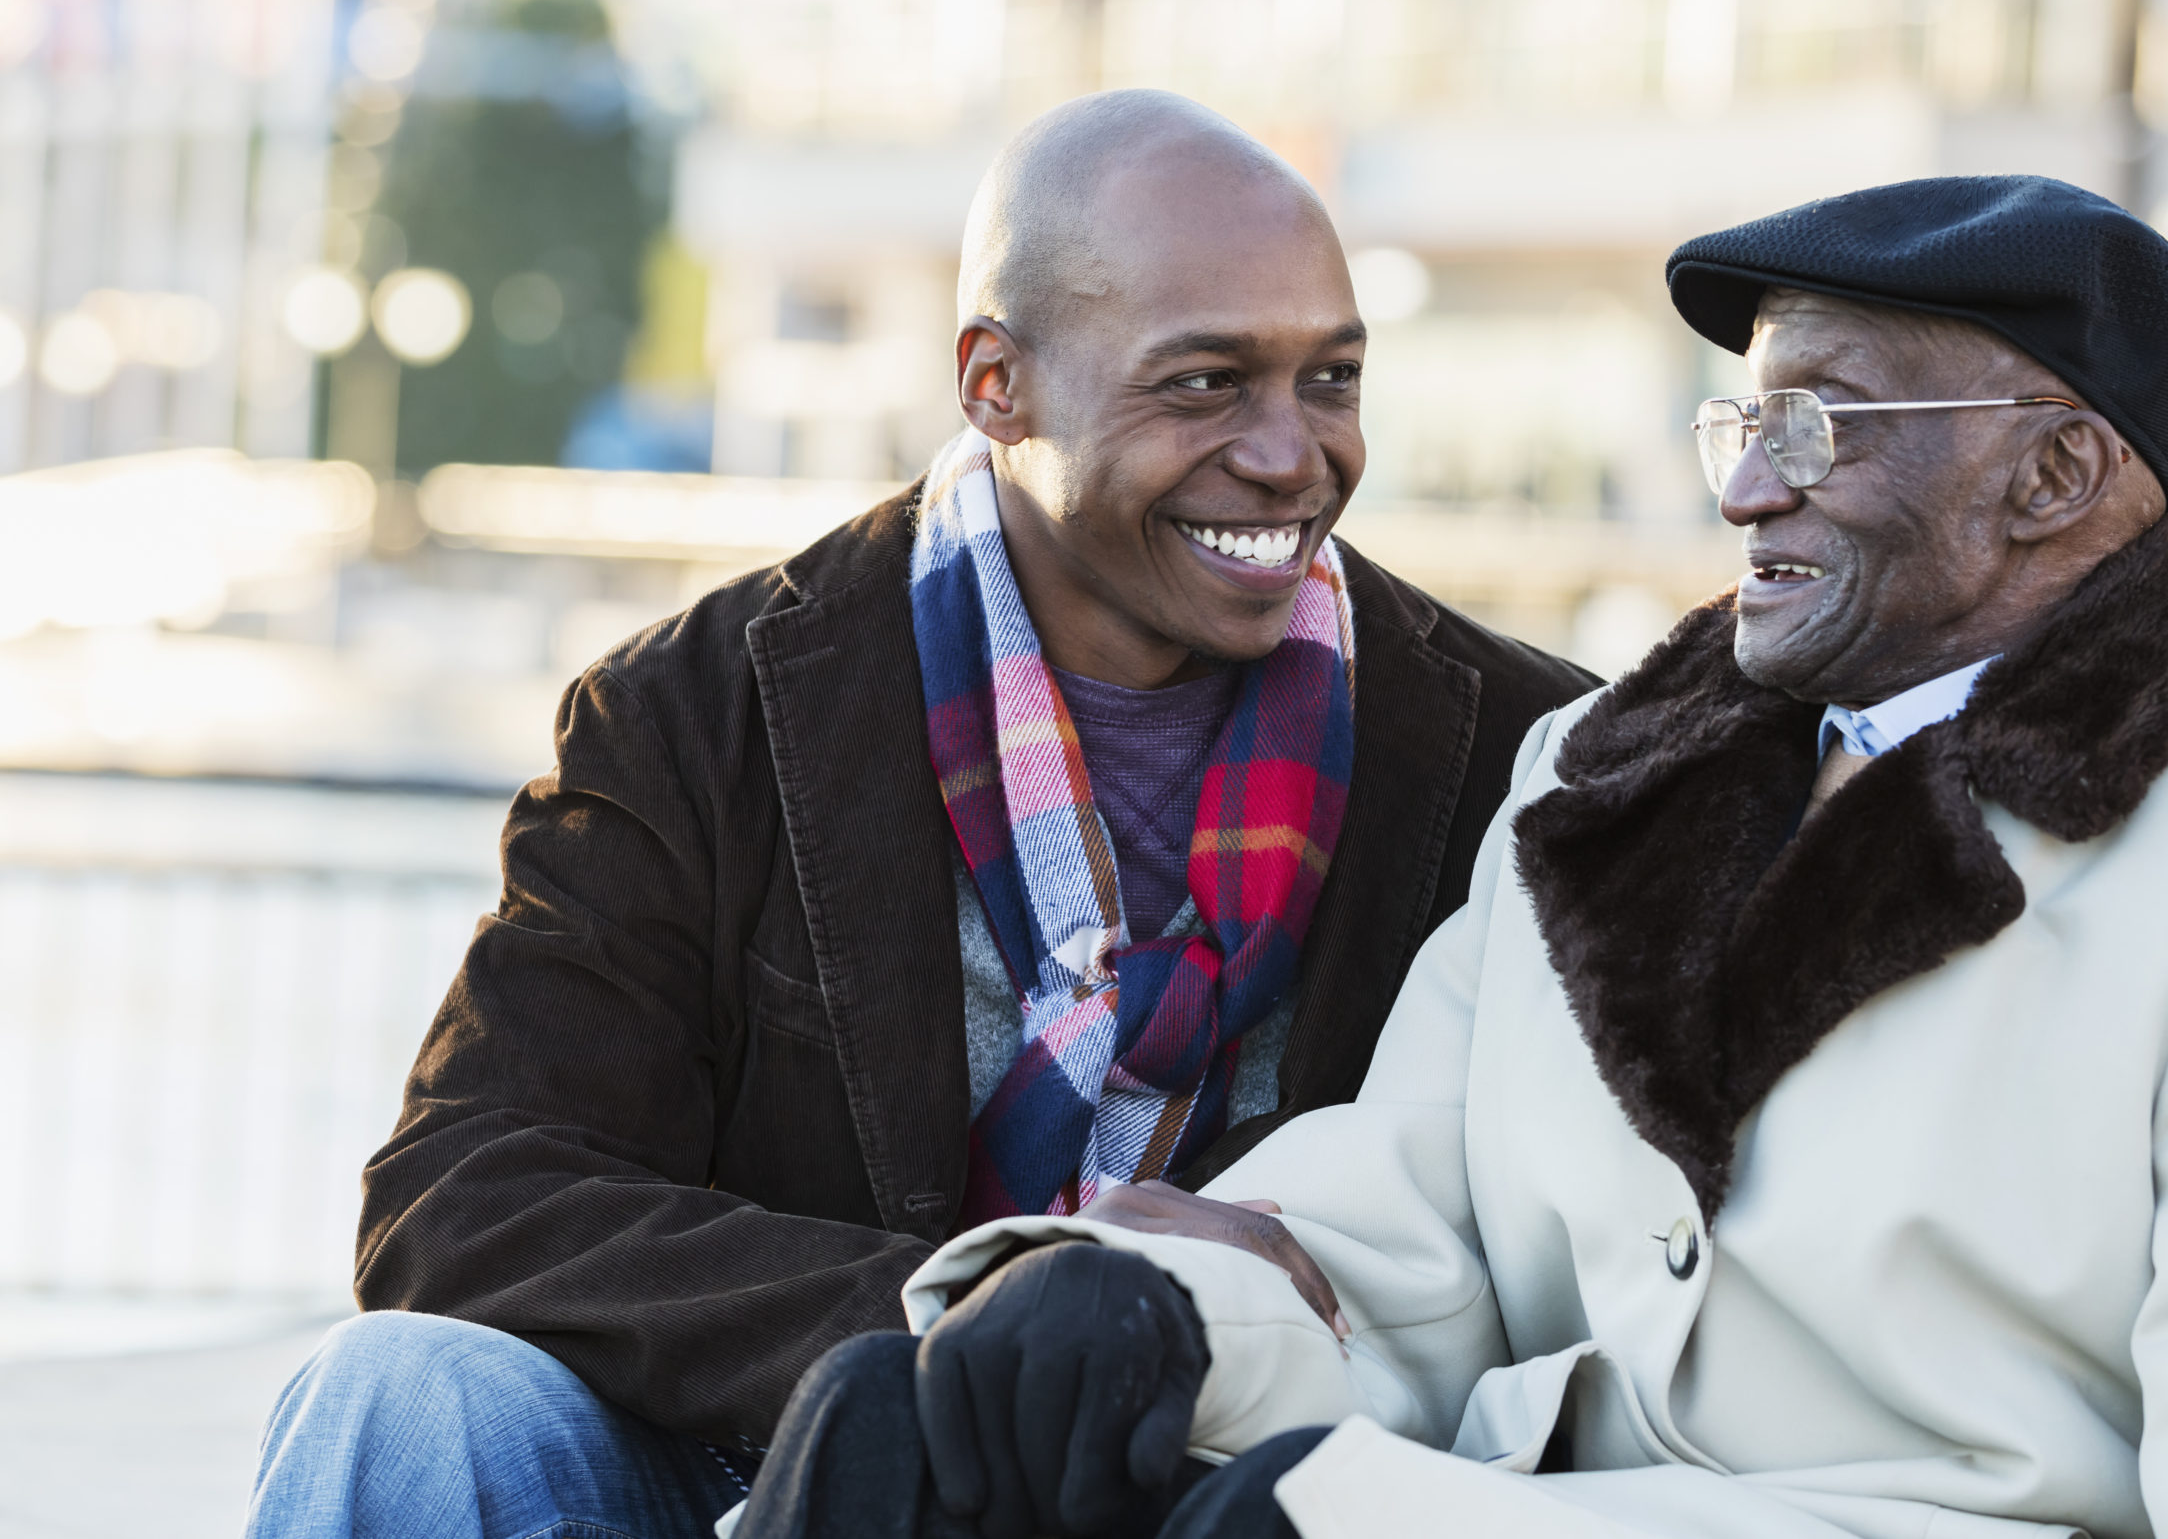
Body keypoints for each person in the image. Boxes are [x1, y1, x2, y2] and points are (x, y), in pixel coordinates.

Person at [738, 175, 2168, 1539]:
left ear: (2055, 476)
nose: (1745, 485)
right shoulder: (1594, 776)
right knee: (915, 1435)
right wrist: (1144, 1312)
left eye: (1818, 422)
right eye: (1739, 422)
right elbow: (1414, 1226)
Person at [243, 90, 1595, 1535]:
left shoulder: (1533, 754)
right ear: (994, 382)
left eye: (1330, 379)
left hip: (1233, 1484)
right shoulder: (697, 710)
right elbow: (467, 1195)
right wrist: (983, 1324)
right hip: (775, 1454)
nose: (1290, 453)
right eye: (1204, 383)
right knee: (399, 1393)